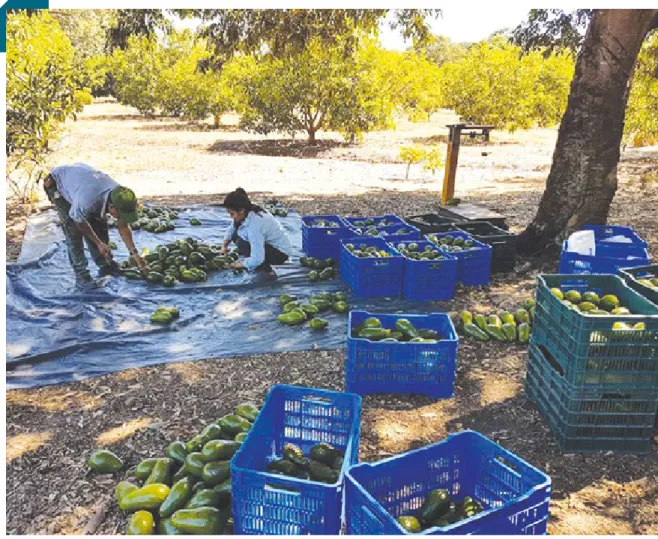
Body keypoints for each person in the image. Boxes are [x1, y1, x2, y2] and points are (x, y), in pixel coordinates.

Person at [43, 163, 148, 284]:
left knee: (99, 224)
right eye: (119, 214)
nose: (119, 217)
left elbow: (123, 225)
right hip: (57, 183)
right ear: (111, 207)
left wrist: (134, 253)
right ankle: (81, 274)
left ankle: (105, 265)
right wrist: (98, 243)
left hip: (82, 182)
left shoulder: (119, 196)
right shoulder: (88, 200)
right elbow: (79, 222)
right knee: (73, 231)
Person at [221, 188, 293, 274]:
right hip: (270, 245)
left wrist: (236, 265)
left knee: (241, 243)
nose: (231, 217)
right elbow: (232, 227)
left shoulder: (254, 226)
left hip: (280, 254)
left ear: (241, 210)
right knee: (235, 236)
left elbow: (257, 259)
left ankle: (267, 269)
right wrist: (224, 246)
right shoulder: (248, 210)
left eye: (232, 214)